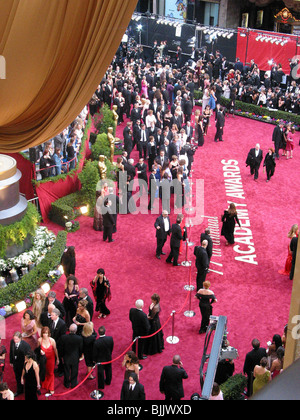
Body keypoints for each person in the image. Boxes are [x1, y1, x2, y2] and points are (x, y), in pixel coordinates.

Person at [59, 324, 83, 389]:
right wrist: (80, 356)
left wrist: (61, 356)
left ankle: (66, 383)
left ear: (69, 329)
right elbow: (81, 349)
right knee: (74, 371)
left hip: (66, 357)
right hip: (75, 357)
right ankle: (73, 383)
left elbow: (61, 348)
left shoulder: (63, 337)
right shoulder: (79, 338)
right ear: (76, 330)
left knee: (66, 371)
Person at [9, 331, 31, 397]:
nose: (15, 341)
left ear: (20, 338)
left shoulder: (26, 345)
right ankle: (19, 390)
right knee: (17, 377)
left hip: (23, 365)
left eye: (16, 339)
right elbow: (11, 352)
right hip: (15, 364)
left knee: (25, 378)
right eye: (14, 339)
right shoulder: (12, 342)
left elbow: (29, 356)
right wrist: (11, 361)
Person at [37, 326, 58, 395]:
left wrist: (57, 358)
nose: (44, 335)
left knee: (51, 372)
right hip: (43, 359)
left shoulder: (52, 340)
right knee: (44, 371)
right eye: (43, 333)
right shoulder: (40, 340)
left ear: (48, 333)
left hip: (51, 359)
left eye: (46, 333)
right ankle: (45, 383)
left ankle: (51, 387)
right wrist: (40, 351)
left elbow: (55, 350)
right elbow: (37, 350)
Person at [93, 326, 114, 391]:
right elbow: (111, 347)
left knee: (100, 373)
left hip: (100, 360)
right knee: (109, 370)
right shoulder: (110, 339)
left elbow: (95, 353)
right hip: (108, 357)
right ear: (105, 331)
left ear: (98, 333)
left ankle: (101, 385)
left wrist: (94, 360)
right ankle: (108, 381)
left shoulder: (96, 342)